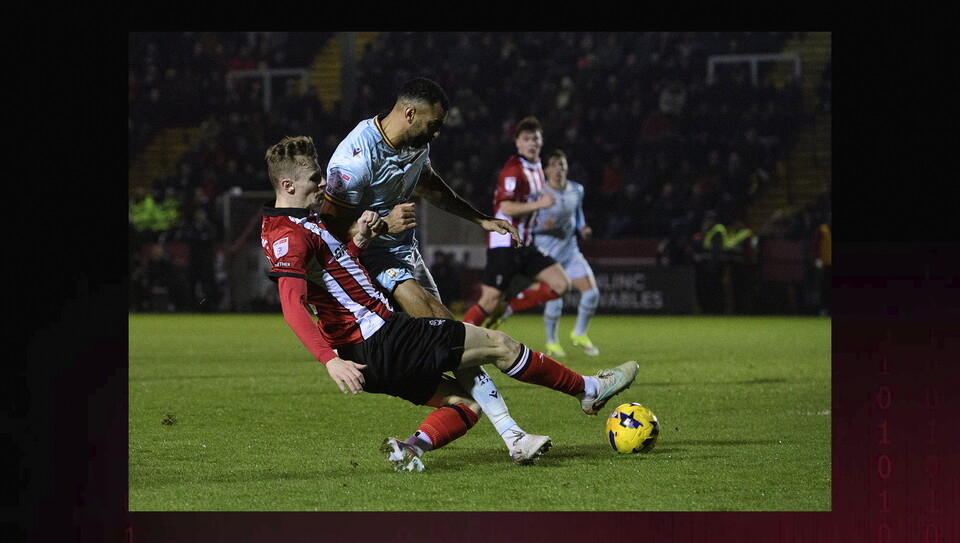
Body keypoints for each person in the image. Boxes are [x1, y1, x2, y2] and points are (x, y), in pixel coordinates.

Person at [261, 135, 640, 471]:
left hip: (373, 356)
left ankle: (410, 449)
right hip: (381, 338)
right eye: (314, 178)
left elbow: (331, 277)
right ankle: (588, 390)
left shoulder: (302, 223)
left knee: (464, 404)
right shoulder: (288, 236)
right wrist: (330, 361)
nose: (323, 183)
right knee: (499, 345)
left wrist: (360, 241)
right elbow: (291, 303)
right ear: (288, 184)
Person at [317, 78, 546, 464]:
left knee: (453, 349)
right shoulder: (354, 161)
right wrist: (383, 226)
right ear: (409, 113)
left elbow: (431, 185)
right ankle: (514, 434)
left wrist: (481, 219)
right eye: (433, 124)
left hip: (408, 257)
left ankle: (416, 446)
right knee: (454, 336)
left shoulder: (415, 144)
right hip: (371, 263)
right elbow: (330, 235)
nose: (437, 134)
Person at [462, 116, 571, 330]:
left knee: (561, 284)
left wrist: (539, 217)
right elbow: (506, 208)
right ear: (518, 143)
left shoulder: (539, 167)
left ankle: (509, 307)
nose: (531, 143)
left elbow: (528, 205)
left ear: (541, 141)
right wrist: (540, 204)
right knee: (489, 301)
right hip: (504, 244)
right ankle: (458, 339)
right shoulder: (513, 169)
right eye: (526, 139)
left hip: (526, 244)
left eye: (535, 138)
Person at [532, 149, 601, 357]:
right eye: (553, 165)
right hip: (546, 254)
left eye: (561, 164)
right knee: (556, 297)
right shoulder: (538, 192)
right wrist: (541, 226)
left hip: (570, 251)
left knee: (592, 293)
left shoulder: (576, 189)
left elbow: (577, 213)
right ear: (545, 170)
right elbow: (526, 224)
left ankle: (579, 333)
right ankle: (552, 341)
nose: (558, 169)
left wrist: (583, 227)